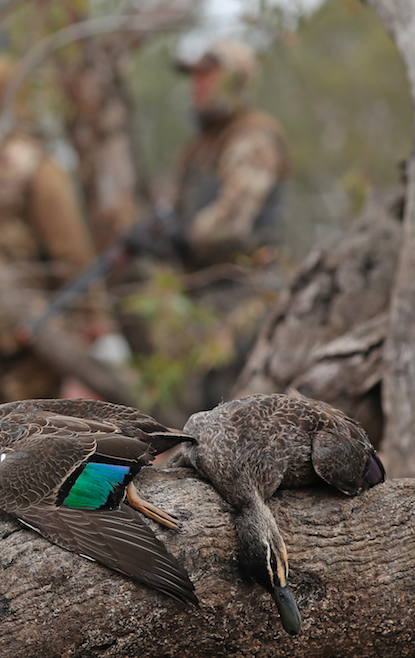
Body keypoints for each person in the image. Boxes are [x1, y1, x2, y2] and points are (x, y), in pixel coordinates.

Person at [120, 38, 291, 409]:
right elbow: (174, 206)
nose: (197, 85)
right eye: (195, 77)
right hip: (205, 295)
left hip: (244, 295)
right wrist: (152, 232)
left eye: (208, 75)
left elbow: (232, 219)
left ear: (238, 80)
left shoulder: (252, 136)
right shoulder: (200, 145)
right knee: (199, 404)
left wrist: (181, 236)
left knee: (233, 410)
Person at [0, 53, 99, 403]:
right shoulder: (32, 162)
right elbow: (68, 247)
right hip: (33, 315)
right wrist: (91, 313)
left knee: (0, 411)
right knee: (34, 427)